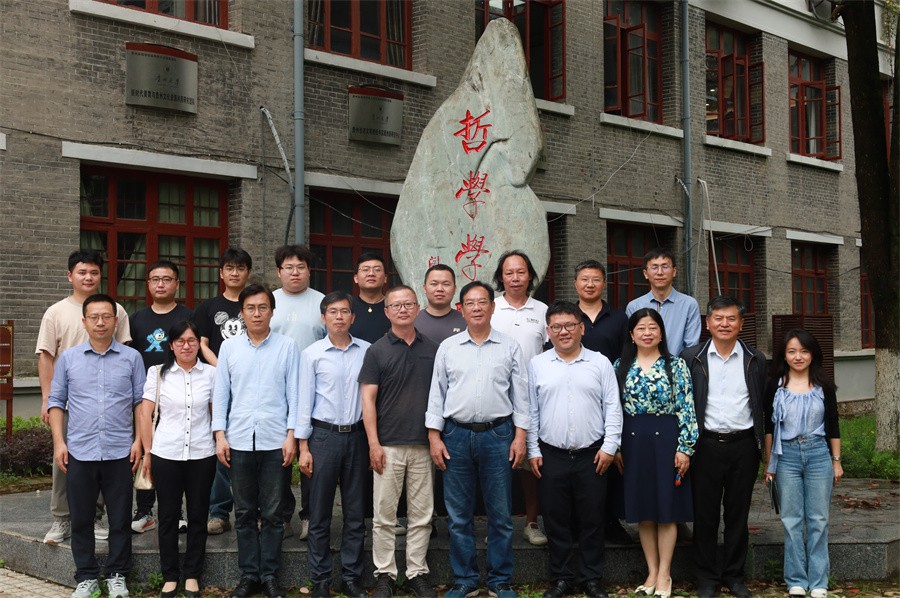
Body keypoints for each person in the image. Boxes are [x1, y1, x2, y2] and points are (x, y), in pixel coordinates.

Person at [426, 281, 529, 598]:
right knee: (459, 515)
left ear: (492, 307)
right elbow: (436, 393)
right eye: (470, 303)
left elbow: (521, 396)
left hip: (498, 434)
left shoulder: (510, 346)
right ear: (462, 309)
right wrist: (434, 436)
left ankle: (500, 579)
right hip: (455, 435)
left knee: (501, 514)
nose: (476, 308)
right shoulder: (448, 347)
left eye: (482, 302)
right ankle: (465, 578)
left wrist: (520, 436)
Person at [48, 294, 145, 598]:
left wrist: (139, 441)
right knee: (81, 519)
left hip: (120, 451)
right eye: (94, 317)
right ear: (84, 321)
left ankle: (117, 575)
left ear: (116, 321)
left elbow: (141, 404)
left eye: (106, 316)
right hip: (80, 451)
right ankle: (86, 576)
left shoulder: (132, 358)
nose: (100, 322)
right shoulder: (69, 359)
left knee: (120, 520)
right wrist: (59, 443)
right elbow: (56, 402)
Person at [527, 301, 622, 598]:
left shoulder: (600, 363)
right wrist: (533, 450)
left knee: (592, 519)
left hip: (592, 455)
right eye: (556, 326)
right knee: (556, 520)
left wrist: (610, 447)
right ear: (548, 331)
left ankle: (591, 578)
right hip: (551, 454)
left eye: (569, 325)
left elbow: (613, 407)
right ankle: (562, 578)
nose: (563, 331)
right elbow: (531, 410)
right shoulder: (538, 364)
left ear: (581, 328)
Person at [37, 249, 131, 545]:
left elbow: (125, 353)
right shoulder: (56, 312)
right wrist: (47, 398)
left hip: (108, 403)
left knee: (104, 460)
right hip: (69, 403)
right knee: (64, 462)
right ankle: (61, 518)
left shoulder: (116, 310)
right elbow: (46, 356)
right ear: (70, 276)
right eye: (82, 272)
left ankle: (95, 517)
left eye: (93, 272)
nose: (88, 277)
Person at [211, 284, 299, 598]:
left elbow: (294, 393)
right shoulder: (229, 348)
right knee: (245, 512)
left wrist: (292, 436)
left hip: (276, 440)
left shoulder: (287, 346)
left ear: (272, 311)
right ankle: (249, 575)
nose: (257, 313)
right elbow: (221, 393)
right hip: (238, 440)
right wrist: (220, 435)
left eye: (263, 307)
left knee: (274, 513)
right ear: (242, 313)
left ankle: (270, 575)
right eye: (250, 308)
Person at [681, 296, 767, 598]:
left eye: (731, 319)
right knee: (704, 515)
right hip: (705, 445)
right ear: (708, 323)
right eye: (718, 318)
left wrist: (765, 451)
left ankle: (734, 575)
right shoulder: (691, 357)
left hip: (744, 445)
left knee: (737, 514)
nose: (724, 324)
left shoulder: (755, 359)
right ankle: (706, 577)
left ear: (741, 324)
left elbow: (763, 405)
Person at [360, 285, 439, 598]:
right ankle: (385, 574)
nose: (403, 309)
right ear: (387, 311)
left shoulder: (433, 349)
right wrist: (373, 444)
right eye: (396, 305)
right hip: (388, 445)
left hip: (423, 444)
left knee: (422, 515)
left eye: (408, 304)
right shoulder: (376, 351)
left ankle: (417, 572)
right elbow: (368, 401)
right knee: (384, 517)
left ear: (418, 308)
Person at [614, 308, 697, 598]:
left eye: (653, 327)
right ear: (631, 334)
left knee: (666, 510)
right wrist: (616, 447)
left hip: (668, 441)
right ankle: (651, 571)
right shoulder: (620, 365)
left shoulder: (676, 365)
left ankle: (664, 574)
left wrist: (685, 448)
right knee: (644, 511)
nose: (647, 333)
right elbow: (613, 409)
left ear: (661, 333)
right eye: (641, 328)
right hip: (633, 442)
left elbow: (687, 406)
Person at [297, 292, 372, 598]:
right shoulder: (311, 354)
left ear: (353, 317)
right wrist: (303, 447)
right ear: (323, 317)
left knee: (355, 512)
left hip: (357, 436)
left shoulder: (367, 351)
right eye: (333, 312)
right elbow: (303, 401)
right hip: (323, 437)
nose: (339, 317)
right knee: (319, 513)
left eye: (344, 311)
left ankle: (351, 577)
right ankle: (320, 579)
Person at [138, 321, 216, 598]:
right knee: (168, 516)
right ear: (171, 345)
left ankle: (192, 574)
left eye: (192, 340)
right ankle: (170, 576)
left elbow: (216, 413)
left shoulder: (211, 374)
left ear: (199, 344)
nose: (186, 346)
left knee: (198, 515)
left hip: (202, 453)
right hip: (166, 453)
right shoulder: (157, 373)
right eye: (180, 341)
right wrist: (148, 452)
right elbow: (145, 413)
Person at [764, 329, 842, 598]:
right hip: (785, 456)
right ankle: (796, 579)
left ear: (812, 354)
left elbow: (833, 425)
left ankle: (819, 581)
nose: (798, 357)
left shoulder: (824, 386)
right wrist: (769, 465)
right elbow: (768, 428)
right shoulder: (774, 385)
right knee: (791, 520)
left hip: (818, 453)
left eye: (804, 351)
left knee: (818, 519)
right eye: (792, 351)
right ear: (784, 355)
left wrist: (836, 461)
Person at [129, 260, 194, 535]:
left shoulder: (188, 316)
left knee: (178, 456)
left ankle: (177, 513)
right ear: (148, 284)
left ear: (177, 284)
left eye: (167, 279)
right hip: (147, 397)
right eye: (155, 279)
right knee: (146, 451)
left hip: (180, 395)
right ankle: (144, 512)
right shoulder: (137, 319)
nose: (160, 284)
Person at [490, 250, 548, 547]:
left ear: (530, 276)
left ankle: (532, 522)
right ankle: (496, 525)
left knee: (530, 464)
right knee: (495, 465)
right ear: (501, 277)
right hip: (495, 398)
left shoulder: (542, 310)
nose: (515, 278)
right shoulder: (491, 308)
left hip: (533, 399)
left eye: (521, 272)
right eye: (509, 273)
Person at [571, 259, 630, 546]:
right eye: (584, 279)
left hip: (611, 397)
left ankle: (611, 521)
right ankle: (578, 521)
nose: (590, 284)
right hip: (575, 396)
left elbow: (627, 357)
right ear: (575, 284)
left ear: (604, 283)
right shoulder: (568, 316)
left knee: (611, 456)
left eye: (595, 279)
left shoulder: (618, 318)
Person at [194, 246, 252, 536]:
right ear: (221, 273)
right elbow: (201, 343)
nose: (234, 273)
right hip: (218, 385)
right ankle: (218, 512)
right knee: (220, 446)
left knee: (250, 449)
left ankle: (250, 510)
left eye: (240, 268)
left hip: (251, 386)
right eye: (229, 268)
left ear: (248, 272)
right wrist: (223, 368)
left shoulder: (255, 303)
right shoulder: (208, 307)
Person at [270, 244, 326, 541]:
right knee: (278, 457)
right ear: (278, 271)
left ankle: (309, 516)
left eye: (300, 267)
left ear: (309, 270)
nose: (295, 272)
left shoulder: (323, 303)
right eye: (289, 267)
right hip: (276, 391)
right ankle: (281, 516)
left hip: (314, 392)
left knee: (309, 456)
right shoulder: (268, 302)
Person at [625, 248, 701, 356]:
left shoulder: (689, 304)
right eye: (654, 267)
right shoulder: (634, 306)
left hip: (679, 365)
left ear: (674, 271)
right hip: (643, 365)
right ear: (645, 273)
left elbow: (692, 346)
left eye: (665, 267)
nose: (660, 272)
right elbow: (631, 343)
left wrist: (677, 365)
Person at [415, 263, 465, 344]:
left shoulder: (466, 321)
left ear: (455, 289)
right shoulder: (413, 321)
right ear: (425, 288)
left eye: (446, 284)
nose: (439, 289)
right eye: (434, 284)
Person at [349, 253, 391, 343]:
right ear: (356, 278)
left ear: (385, 278)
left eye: (377, 270)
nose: (371, 273)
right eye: (365, 269)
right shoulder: (347, 307)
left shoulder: (394, 307)